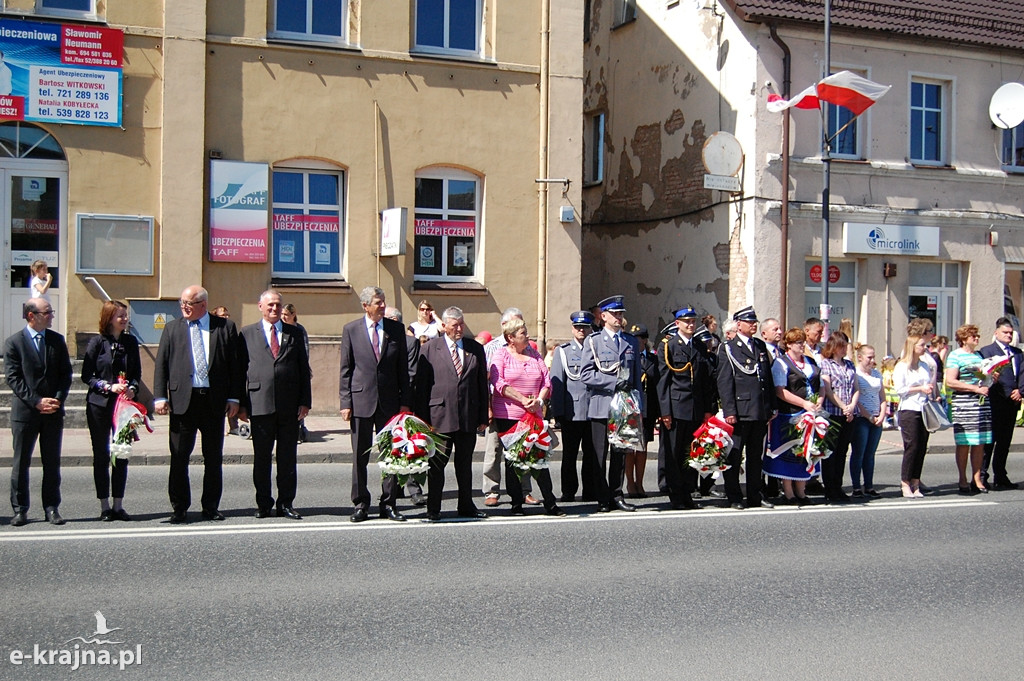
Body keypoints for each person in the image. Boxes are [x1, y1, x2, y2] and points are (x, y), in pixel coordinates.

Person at [154, 285, 244, 523]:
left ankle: (211, 506)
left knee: (213, 457)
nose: (183, 307)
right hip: (183, 401)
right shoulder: (172, 328)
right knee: (179, 456)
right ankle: (179, 507)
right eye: (182, 303)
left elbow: (236, 367)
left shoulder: (225, 328)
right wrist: (160, 397)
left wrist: (234, 398)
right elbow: (161, 364)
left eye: (189, 303)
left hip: (213, 402)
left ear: (203, 305)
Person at [339, 286, 413, 523]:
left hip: (389, 403)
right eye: (378, 302)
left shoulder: (395, 329)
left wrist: (404, 403)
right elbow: (346, 370)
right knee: (359, 455)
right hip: (361, 401)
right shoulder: (351, 330)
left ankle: (389, 503)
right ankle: (360, 503)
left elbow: (403, 370)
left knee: (391, 454)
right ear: (365, 306)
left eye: (383, 302)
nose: (382, 306)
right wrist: (345, 402)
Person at [240, 290, 312, 519]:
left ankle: (286, 503)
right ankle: (263, 504)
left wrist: (305, 402)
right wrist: (241, 404)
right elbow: (240, 370)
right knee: (262, 458)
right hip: (259, 403)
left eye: (278, 305)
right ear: (260, 305)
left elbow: (303, 369)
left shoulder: (294, 333)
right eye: (270, 304)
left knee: (287, 457)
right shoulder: (247, 334)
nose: (274, 309)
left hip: (289, 406)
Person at [414, 307, 488, 521]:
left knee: (464, 466)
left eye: (461, 324)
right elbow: (422, 386)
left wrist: (483, 416)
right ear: (444, 326)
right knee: (436, 465)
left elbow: (481, 384)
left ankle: (466, 505)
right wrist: (421, 420)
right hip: (438, 417)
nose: (459, 328)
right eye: (454, 325)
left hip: (467, 416)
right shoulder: (430, 348)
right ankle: (433, 507)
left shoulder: (474, 348)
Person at [5, 298, 72, 526]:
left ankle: (51, 508)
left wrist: (57, 400)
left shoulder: (56, 340)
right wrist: (36, 401)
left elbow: (66, 374)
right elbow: (13, 378)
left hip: (52, 411)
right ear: (31, 316)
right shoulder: (14, 343)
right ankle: (20, 509)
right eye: (47, 312)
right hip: (26, 413)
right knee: (21, 462)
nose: (52, 315)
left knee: (52, 462)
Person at [489, 317, 565, 517]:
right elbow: (498, 382)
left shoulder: (534, 354)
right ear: (510, 337)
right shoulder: (501, 355)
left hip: (534, 414)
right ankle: (516, 504)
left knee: (539, 456)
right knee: (514, 459)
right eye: (523, 333)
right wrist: (523, 399)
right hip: (510, 416)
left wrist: (538, 401)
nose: (528, 335)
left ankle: (550, 502)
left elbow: (547, 382)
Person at [582, 295, 646, 512]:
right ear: (604, 316)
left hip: (624, 406)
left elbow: (636, 377)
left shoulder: (630, 342)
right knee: (600, 454)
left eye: (621, 314)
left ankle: (616, 494)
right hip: (602, 404)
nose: (619, 318)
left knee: (620, 452)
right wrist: (611, 381)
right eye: (615, 314)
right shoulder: (594, 341)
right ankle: (602, 497)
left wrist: (639, 407)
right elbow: (586, 374)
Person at [81, 300, 141, 521]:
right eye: (120, 316)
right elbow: (87, 375)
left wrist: (132, 388)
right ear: (109, 318)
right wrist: (107, 386)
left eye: (126, 316)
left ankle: (118, 504)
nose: (124, 319)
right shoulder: (97, 342)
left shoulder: (130, 342)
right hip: (99, 406)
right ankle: (104, 505)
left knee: (121, 454)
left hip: (123, 408)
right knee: (102, 455)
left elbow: (136, 373)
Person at [656, 305, 714, 510]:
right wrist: (665, 412)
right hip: (676, 406)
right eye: (686, 321)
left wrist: (708, 410)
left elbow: (705, 381)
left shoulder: (698, 345)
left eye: (693, 321)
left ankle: (688, 492)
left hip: (696, 408)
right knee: (673, 454)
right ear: (677, 324)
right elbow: (663, 382)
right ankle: (675, 494)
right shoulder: (668, 346)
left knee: (692, 452)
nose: (691, 324)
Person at [764, 327, 826, 506]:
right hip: (790, 414)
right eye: (798, 342)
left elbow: (820, 385)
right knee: (790, 452)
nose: (802, 345)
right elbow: (780, 391)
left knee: (806, 452)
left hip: (811, 414)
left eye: (802, 342)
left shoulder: (811, 361)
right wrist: (804, 404)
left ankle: (802, 491)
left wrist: (819, 401)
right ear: (789, 345)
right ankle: (789, 492)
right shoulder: (781, 363)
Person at [481, 307, 535, 506]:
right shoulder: (492, 348)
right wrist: (487, 407)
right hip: (498, 407)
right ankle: (491, 490)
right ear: (505, 327)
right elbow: (487, 381)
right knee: (494, 449)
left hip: (524, 410)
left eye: (522, 323)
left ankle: (524, 490)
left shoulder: (529, 348)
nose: (522, 327)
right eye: (516, 323)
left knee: (524, 448)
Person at [549, 310, 598, 502]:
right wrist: (558, 412)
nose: (581, 331)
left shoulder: (596, 348)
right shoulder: (564, 351)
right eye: (578, 327)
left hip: (593, 410)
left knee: (592, 454)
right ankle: (568, 491)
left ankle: (590, 490)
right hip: (572, 412)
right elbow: (557, 383)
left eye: (585, 327)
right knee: (569, 455)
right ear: (572, 328)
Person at [385, 305, 426, 506]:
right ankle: (393, 488)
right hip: (385, 402)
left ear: (395, 322)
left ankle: (414, 489)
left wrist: (404, 403)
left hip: (404, 403)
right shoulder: (382, 341)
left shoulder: (410, 342)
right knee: (392, 447)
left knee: (410, 445)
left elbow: (411, 373)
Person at [945, 325, 993, 495]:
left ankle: (977, 477)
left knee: (980, 441)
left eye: (977, 336)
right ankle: (962, 478)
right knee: (964, 442)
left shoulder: (979, 355)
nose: (977, 338)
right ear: (964, 339)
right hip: (964, 403)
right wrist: (974, 389)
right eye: (973, 336)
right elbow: (950, 381)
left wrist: (991, 378)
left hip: (981, 402)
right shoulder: (955, 356)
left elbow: (983, 378)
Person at [977, 317, 1023, 490]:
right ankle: (982, 475)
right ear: (996, 333)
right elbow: (983, 375)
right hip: (994, 401)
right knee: (989, 441)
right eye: (1005, 332)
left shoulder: (1017, 353)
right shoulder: (987, 351)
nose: (1008, 336)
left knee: (1005, 442)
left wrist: (1020, 391)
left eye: (1011, 333)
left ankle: (1001, 475)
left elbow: (1022, 374)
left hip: (1012, 403)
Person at [892, 334, 933, 498]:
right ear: (912, 347)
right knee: (912, 446)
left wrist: (929, 390)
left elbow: (928, 383)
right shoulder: (902, 366)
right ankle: (905, 482)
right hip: (909, 409)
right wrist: (919, 389)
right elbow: (900, 389)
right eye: (921, 345)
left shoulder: (923, 365)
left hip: (924, 408)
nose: (925, 348)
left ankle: (916, 481)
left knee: (922, 446)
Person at [819, 331, 858, 502]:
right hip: (833, 413)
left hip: (848, 414)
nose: (844, 350)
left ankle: (838, 485)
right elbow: (828, 390)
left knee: (842, 451)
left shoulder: (849, 365)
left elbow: (856, 387)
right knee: (830, 453)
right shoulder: (826, 364)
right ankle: (829, 489)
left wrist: (851, 407)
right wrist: (843, 407)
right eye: (841, 346)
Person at [850, 344, 886, 499]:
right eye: (869, 357)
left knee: (870, 454)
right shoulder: (856, 374)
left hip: (877, 417)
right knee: (859, 452)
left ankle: (869, 485)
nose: (872, 360)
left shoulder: (877, 374)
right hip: (861, 418)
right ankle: (856, 486)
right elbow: (856, 399)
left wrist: (882, 414)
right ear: (860, 357)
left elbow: (882, 396)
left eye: (873, 356)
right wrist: (868, 416)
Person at [627, 322, 656, 498]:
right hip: (630, 408)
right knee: (630, 447)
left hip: (647, 408)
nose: (636, 342)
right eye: (633, 339)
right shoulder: (628, 358)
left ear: (645, 341)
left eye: (638, 339)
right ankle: (630, 483)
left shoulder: (653, 360)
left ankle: (640, 482)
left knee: (643, 447)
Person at [281, 303, 311, 444]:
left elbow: (305, 351)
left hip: (298, 371)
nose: (283, 317)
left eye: (286, 315)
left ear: (293, 315)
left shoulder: (299, 330)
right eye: (282, 315)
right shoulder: (279, 328)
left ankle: (300, 427)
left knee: (299, 399)